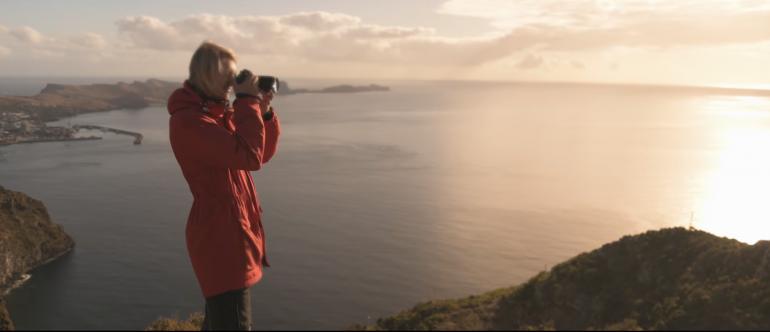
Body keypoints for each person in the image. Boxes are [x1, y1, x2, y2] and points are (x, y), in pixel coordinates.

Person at [167, 41, 281, 330]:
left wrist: (263, 113)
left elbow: (260, 154)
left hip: (232, 233)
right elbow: (250, 156)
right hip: (220, 239)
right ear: (209, 76)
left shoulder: (216, 117)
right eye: (228, 77)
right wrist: (247, 102)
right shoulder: (191, 123)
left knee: (221, 323)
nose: (232, 84)